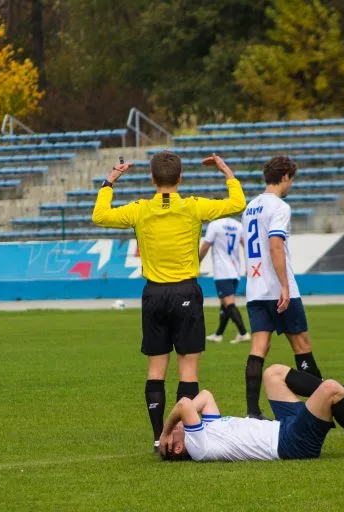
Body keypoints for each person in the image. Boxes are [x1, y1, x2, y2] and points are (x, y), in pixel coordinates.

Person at [92, 151, 246, 453]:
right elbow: (238, 203)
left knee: (155, 371)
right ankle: (182, 436)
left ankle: (157, 437)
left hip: (154, 295)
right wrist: (225, 169)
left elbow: (99, 215)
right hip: (185, 292)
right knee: (188, 371)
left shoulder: (140, 209)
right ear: (180, 178)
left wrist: (111, 179)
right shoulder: (193, 206)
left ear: (152, 178)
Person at [159, 365, 344, 461]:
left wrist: (170, 433)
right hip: (291, 443)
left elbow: (205, 396)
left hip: (283, 426)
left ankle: (342, 402)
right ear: (178, 448)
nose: (180, 425)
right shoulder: (198, 447)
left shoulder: (204, 431)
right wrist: (165, 432)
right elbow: (184, 405)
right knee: (330, 388)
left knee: (273, 373)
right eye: (176, 433)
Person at [241, 155, 321, 419]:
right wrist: (285, 286)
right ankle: (324, 401)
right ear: (285, 176)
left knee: (258, 348)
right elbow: (275, 245)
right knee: (301, 345)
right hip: (278, 288)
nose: (291, 185)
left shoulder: (250, 207)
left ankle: (253, 412)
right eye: (291, 180)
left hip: (255, 288)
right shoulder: (279, 207)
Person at [198, 217, 250, 344]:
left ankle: (243, 333)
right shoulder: (238, 225)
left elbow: (205, 245)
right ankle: (218, 334)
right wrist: (248, 266)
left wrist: (197, 261)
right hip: (235, 270)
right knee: (225, 303)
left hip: (222, 270)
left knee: (228, 302)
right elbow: (246, 246)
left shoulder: (215, 225)